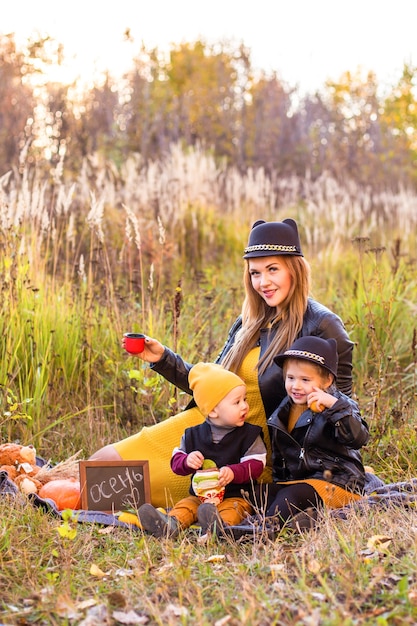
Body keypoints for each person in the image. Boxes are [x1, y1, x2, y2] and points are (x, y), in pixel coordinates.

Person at [90, 218, 354, 508]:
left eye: (273, 269)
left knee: (115, 492)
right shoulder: (249, 322)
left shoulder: (322, 325)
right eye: (255, 273)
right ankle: (51, 485)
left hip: (248, 450)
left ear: (295, 268)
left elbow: (342, 407)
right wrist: (163, 359)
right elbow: (213, 387)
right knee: (101, 463)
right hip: (207, 430)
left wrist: (316, 473)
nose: (263, 282)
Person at [136, 362, 267, 537]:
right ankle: (170, 524)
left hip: (236, 496)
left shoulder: (249, 435)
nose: (244, 406)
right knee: (187, 506)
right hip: (201, 497)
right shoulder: (193, 435)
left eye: (245, 399)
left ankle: (220, 527)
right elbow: (176, 462)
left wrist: (234, 472)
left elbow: (257, 464)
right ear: (213, 411)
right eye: (237, 402)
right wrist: (187, 461)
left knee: (233, 509)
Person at [254, 335, 369, 531]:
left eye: (305, 380)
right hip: (303, 483)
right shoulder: (282, 412)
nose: (296, 386)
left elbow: (358, 438)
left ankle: (264, 530)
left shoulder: (339, 406)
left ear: (327, 381)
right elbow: (281, 458)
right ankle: (307, 519)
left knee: (290, 497)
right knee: (260, 494)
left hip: (338, 482)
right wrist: (278, 485)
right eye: (291, 378)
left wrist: (335, 408)